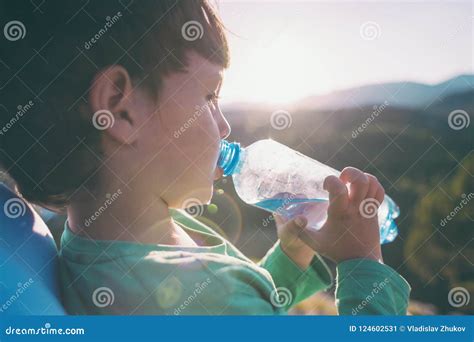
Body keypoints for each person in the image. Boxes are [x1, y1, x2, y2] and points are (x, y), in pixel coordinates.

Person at [0, 0, 410, 315]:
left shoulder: (107, 241)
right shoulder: (202, 296)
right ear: (119, 109)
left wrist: (291, 256)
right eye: (210, 96)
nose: (225, 127)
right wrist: (364, 264)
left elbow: (247, 307)